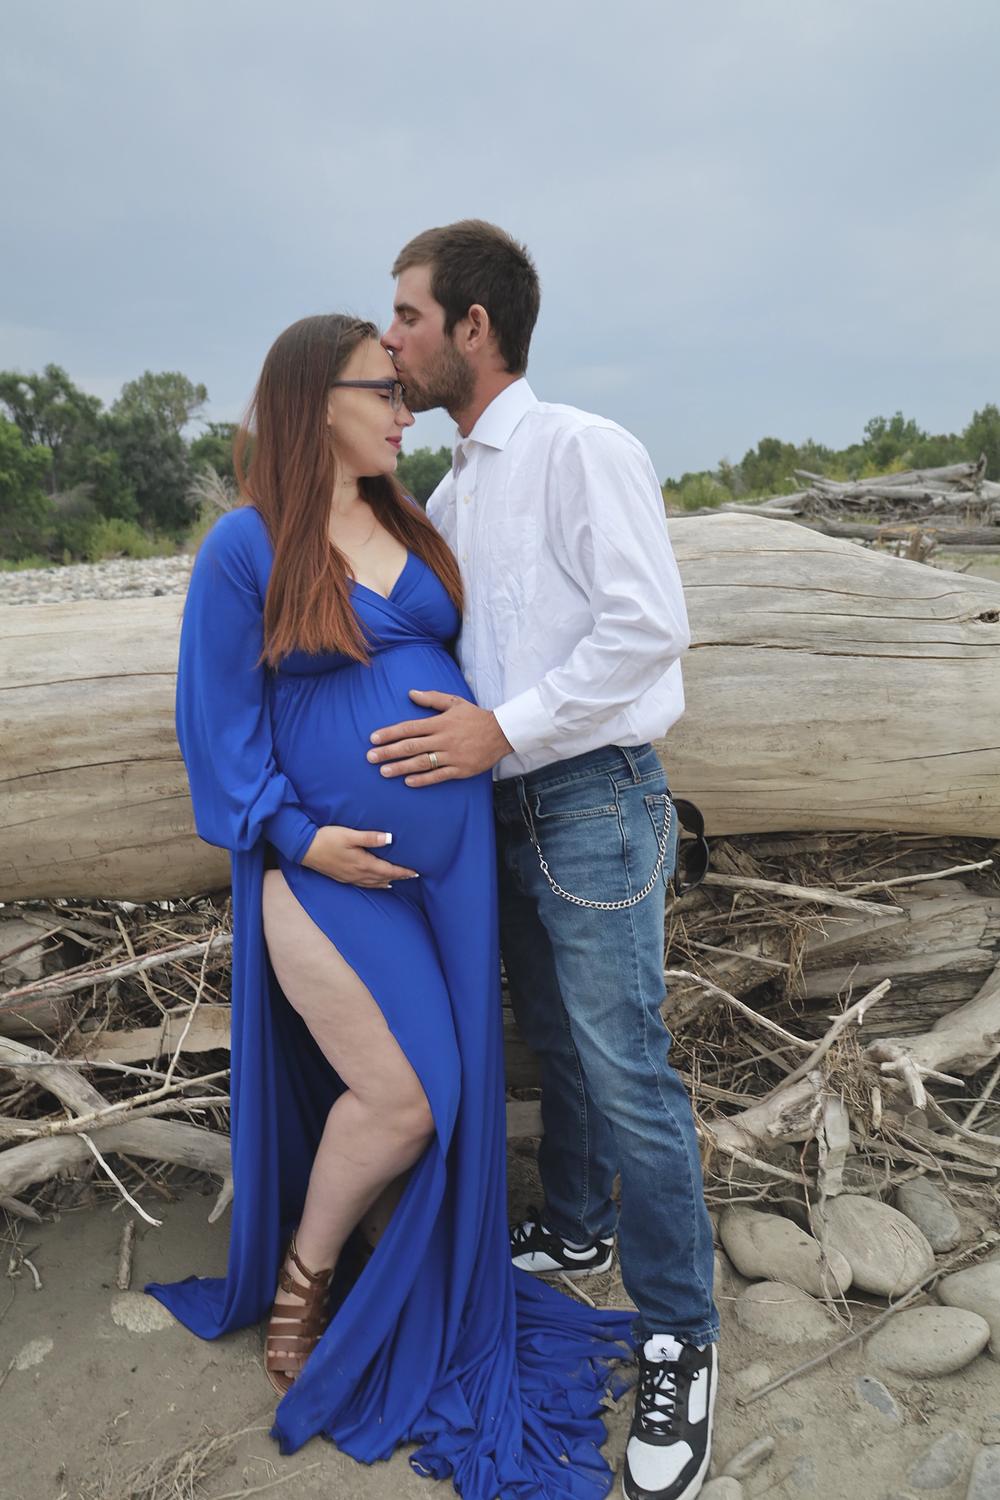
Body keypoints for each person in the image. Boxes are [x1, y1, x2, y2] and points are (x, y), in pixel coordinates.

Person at [147, 313, 639, 1499]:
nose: (404, 409)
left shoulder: (413, 522)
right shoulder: (245, 546)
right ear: (316, 397)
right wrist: (300, 835)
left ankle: (394, 1266)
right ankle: (304, 1278)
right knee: (408, 1096)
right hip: (323, 871)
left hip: (450, 874)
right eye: (384, 389)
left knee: (450, 1094)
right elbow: (215, 726)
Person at [371, 222, 719, 1500]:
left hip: (591, 795)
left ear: (474, 327)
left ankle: (681, 1333)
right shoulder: (453, 492)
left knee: (627, 1066)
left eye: (408, 315)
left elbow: (648, 629)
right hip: (502, 812)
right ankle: (576, 1232)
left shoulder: (582, 448)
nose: (391, 339)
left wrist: (501, 731)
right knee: (559, 1048)